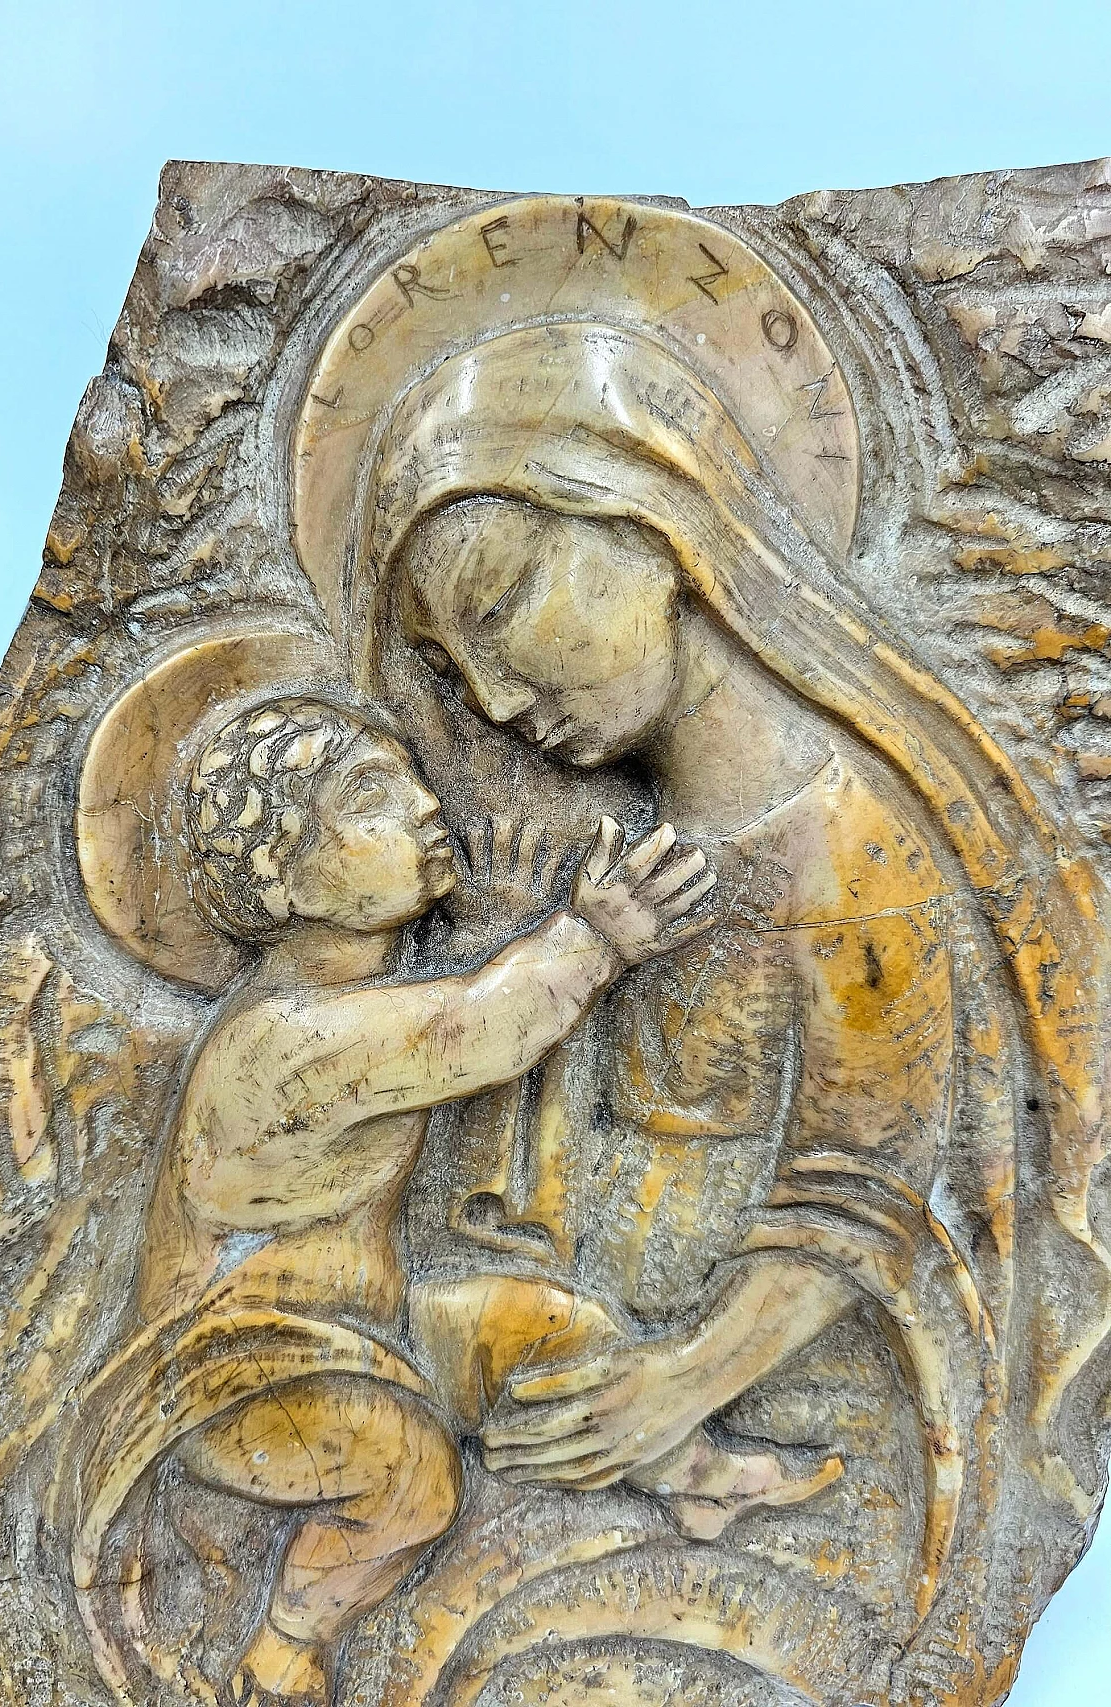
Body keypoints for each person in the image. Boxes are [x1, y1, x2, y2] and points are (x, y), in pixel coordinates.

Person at [340, 319, 1111, 1639]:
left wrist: (682, 1381)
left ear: (646, 522)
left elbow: (863, 1189)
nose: (495, 694)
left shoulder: (849, 837)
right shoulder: (617, 844)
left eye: (500, 610)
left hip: (769, 1419)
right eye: (455, 668)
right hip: (574, 1399)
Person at [66, 694, 717, 1707]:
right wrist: (593, 936)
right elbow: (476, 1033)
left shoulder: (352, 1006)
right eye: (369, 797)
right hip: (236, 1378)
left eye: (409, 780)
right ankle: (285, 1646)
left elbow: (451, 1046)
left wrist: (502, 932)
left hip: (363, 1328)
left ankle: (703, 1483)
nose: (424, 807)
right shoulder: (282, 1044)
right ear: (279, 878)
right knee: (408, 1475)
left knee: (548, 1325)